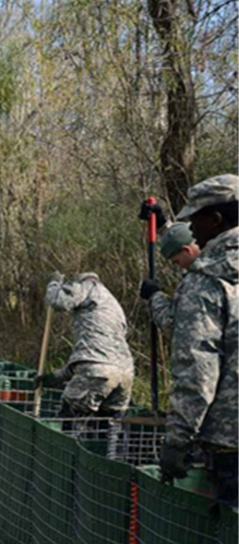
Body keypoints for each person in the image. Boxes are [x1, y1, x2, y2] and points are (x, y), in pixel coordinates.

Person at [158, 173, 239, 506]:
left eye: (196, 221)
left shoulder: (206, 283)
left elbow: (196, 370)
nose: (192, 231)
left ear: (216, 220)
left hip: (231, 441)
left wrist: (178, 439)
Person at [37, 272, 134, 418]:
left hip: (97, 370)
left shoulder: (88, 287)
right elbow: (99, 357)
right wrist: (56, 377)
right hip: (125, 373)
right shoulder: (113, 305)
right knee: (107, 428)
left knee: (70, 419)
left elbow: (58, 301)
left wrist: (54, 284)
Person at [139, 222, 200, 331]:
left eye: (176, 261)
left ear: (187, 250)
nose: (179, 266)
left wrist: (154, 296)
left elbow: (173, 323)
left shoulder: (198, 282)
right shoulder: (222, 258)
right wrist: (162, 225)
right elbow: (183, 235)